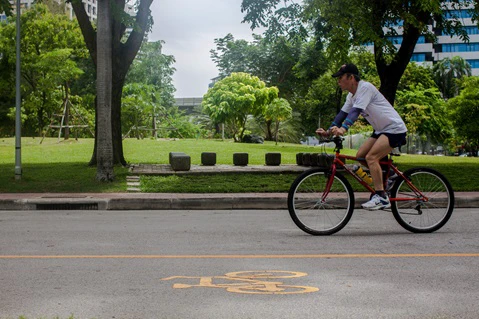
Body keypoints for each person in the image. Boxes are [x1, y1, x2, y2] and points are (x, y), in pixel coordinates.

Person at [316, 63, 407, 210]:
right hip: (381, 130)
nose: (338, 81)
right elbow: (342, 114)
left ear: (351, 77)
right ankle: (391, 176)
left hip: (394, 129)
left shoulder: (365, 88)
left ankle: (381, 197)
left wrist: (343, 129)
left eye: (341, 78)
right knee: (361, 156)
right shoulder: (351, 96)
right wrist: (328, 131)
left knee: (372, 158)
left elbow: (355, 112)